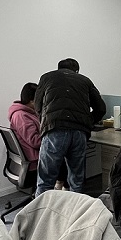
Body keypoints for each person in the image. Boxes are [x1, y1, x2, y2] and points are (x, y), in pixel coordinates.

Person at [34, 58, 107, 196]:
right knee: (76, 180)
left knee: (46, 181)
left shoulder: (46, 77)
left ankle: (41, 209)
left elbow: (37, 106)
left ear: (58, 68)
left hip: (54, 130)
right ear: (77, 71)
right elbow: (101, 108)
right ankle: (75, 208)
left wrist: (46, 122)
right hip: (79, 132)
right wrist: (87, 122)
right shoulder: (85, 80)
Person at [8, 82, 41, 165]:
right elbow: (35, 141)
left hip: (37, 157)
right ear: (32, 101)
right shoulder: (21, 116)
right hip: (35, 161)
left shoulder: (28, 113)